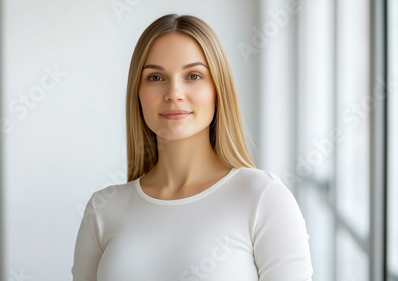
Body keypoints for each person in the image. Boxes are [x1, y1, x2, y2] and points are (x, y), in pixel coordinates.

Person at [71, 14, 313, 281]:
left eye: (193, 75)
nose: (174, 93)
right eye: (155, 77)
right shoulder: (104, 209)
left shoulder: (263, 198)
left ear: (218, 89)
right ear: (137, 93)